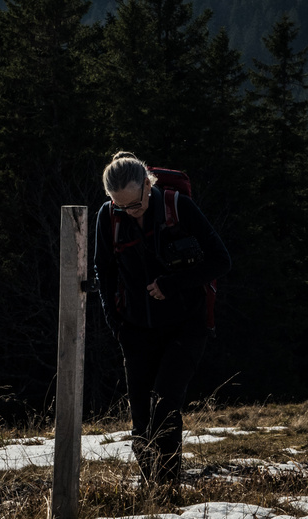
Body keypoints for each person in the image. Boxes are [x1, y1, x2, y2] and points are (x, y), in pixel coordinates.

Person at [91, 151, 232, 492]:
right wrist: (115, 324)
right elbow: (104, 272)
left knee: (166, 405)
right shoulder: (108, 217)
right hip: (136, 329)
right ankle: (152, 486)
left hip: (187, 324)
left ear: (147, 185)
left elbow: (220, 260)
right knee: (140, 420)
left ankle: (167, 490)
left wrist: (172, 284)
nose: (129, 212)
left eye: (135, 205)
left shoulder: (178, 207)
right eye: (120, 206)